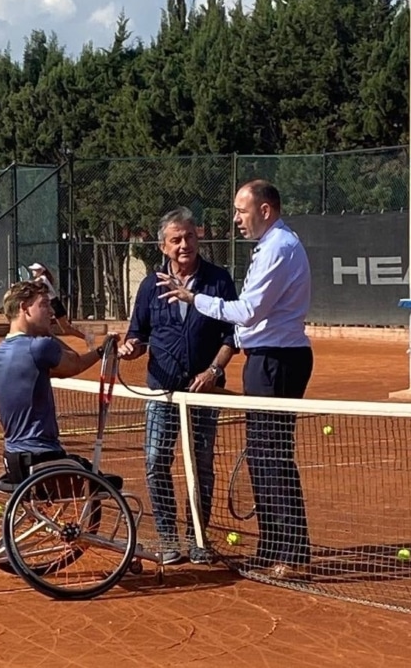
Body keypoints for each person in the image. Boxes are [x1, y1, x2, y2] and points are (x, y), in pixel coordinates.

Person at [157, 180, 313, 580]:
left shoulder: (278, 247)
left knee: (272, 455)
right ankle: (272, 547)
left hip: (278, 361)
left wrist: (193, 299)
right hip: (265, 359)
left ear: (265, 210)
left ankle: (293, 554)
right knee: (261, 456)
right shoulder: (270, 246)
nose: (236, 219)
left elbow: (248, 311)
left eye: (242, 211)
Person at [118, 206, 238, 566]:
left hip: (204, 392)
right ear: (163, 246)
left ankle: (198, 539)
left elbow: (232, 335)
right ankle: (169, 539)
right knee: (156, 461)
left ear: (197, 237)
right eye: (176, 240)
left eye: (188, 236)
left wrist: (214, 371)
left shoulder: (219, 280)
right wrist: (131, 348)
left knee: (201, 465)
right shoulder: (149, 286)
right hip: (162, 391)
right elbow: (138, 334)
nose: (184, 244)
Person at [0, 279, 116, 482]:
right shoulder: (40, 347)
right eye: (44, 305)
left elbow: (59, 371)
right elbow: (75, 363)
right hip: (44, 458)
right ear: (24, 308)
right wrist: (102, 350)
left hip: (13, 460)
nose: (51, 312)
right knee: (109, 483)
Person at [28, 262, 90, 343]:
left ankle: (87, 338)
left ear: (40, 271)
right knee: (49, 327)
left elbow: (34, 283)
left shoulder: (42, 278)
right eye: (33, 270)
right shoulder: (41, 279)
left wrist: (18, 285)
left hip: (54, 304)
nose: (33, 271)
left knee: (66, 329)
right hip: (51, 303)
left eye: (35, 270)